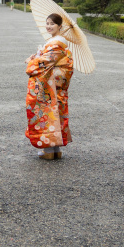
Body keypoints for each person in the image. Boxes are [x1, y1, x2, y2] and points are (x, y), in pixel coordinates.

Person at [24, 13, 74, 160]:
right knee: (56, 115)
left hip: (49, 86)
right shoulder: (56, 42)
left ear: (60, 26)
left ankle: (48, 150)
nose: (49, 26)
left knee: (48, 115)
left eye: (52, 24)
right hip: (56, 86)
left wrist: (30, 62)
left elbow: (45, 63)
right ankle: (55, 149)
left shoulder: (56, 43)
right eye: (47, 23)